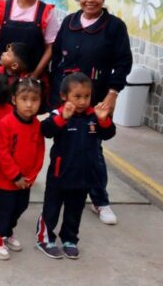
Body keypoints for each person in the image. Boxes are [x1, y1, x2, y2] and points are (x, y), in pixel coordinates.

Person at [48, 0, 132, 226]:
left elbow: (123, 63)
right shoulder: (69, 22)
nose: (90, 0)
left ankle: (99, 200)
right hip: (67, 102)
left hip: (96, 103)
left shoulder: (114, 26)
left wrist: (112, 94)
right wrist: (56, 98)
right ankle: (63, 189)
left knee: (93, 150)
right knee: (65, 145)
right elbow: (57, 60)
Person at [36, 73, 115, 260]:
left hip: (84, 176)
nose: (82, 101)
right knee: (51, 209)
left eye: (86, 96)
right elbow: (45, 130)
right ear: (64, 96)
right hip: (59, 174)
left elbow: (108, 134)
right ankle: (44, 239)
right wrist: (62, 118)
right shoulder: (59, 114)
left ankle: (70, 239)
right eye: (77, 96)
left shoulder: (94, 116)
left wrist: (104, 119)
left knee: (75, 210)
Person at [0, 78, 44, 260]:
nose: (29, 104)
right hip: (3, 180)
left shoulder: (37, 125)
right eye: (24, 99)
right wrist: (15, 176)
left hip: (24, 181)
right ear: (14, 100)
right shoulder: (6, 123)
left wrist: (31, 177)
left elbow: (40, 152)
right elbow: (2, 152)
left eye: (34, 100)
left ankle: (7, 231)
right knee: (1, 209)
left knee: (20, 206)